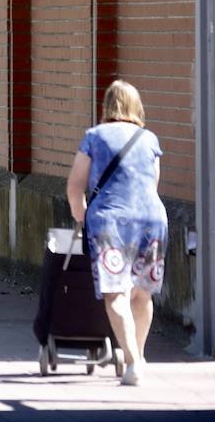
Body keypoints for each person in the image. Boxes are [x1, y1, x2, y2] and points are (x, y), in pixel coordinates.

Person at [66, 79, 168, 386]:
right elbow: (152, 184)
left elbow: (76, 184)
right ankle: (138, 355)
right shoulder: (149, 139)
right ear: (137, 106)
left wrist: (81, 213)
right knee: (142, 292)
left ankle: (133, 360)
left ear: (107, 105)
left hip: (111, 221)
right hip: (151, 220)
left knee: (116, 292)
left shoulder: (94, 137)